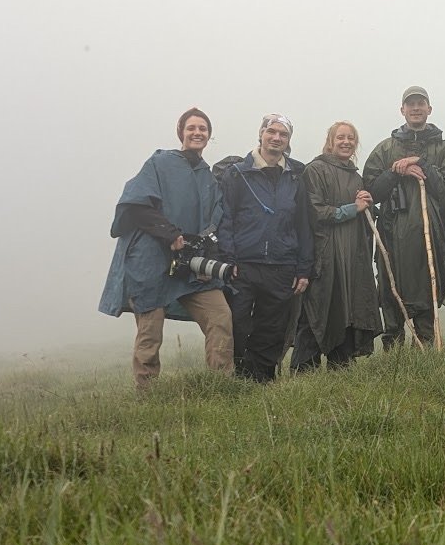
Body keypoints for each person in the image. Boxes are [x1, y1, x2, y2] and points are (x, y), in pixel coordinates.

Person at [98, 107, 235, 393]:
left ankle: (221, 386)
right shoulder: (160, 162)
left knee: (220, 315)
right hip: (150, 261)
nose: (197, 133)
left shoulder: (208, 178)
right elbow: (135, 207)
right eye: (192, 128)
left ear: (209, 136)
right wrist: (169, 233)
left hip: (190, 265)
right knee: (150, 330)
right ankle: (147, 394)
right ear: (181, 132)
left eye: (203, 129)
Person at [214, 113, 314, 382]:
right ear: (261, 134)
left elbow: (303, 223)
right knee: (238, 323)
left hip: (282, 265)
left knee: (272, 327)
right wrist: (228, 258)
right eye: (272, 132)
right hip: (243, 264)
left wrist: (304, 268)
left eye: (283, 134)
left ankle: (262, 381)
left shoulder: (296, 174)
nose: (277, 138)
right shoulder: (237, 173)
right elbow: (226, 218)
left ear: (288, 140)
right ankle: (236, 377)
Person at [361, 87, 445, 347]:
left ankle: (425, 351)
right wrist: (396, 172)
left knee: (428, 287)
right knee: (390, 288)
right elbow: (371, 191)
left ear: (429, 109)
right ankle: (393, 353)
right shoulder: (385, 149)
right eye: (410, 104)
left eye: (420, 103)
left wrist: (422, 164)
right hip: (391, 234)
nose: (416, 108)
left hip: (431, 235)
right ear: (402, 110)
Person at [292, 121, 383, 370]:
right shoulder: (315, 170)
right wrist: (352, 208)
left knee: (348, 313)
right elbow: (316, 212)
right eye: (340, 137)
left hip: (352, 259)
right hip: (325, 256)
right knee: (317, 313)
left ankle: (339, 372)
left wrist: (367, 205)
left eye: (351, 138)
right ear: (330, 141)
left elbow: (363, 216)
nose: (346, 142)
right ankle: (304, 375)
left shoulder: (356, 176)